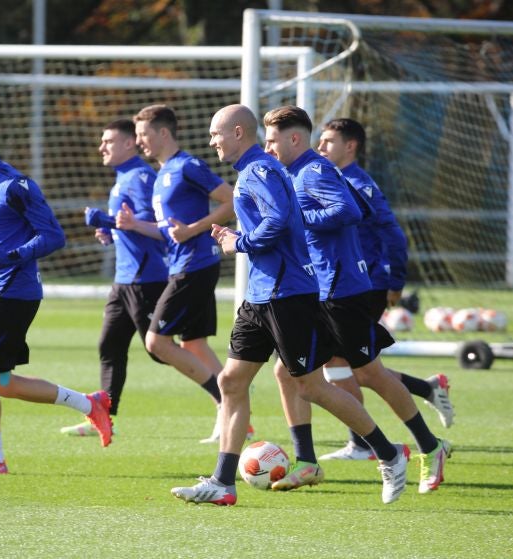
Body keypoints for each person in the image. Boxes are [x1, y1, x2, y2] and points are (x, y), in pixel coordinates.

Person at [170, 104, 408, 506]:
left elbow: (280, 218)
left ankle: (388, 454)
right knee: (230, 382)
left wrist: (237, 242)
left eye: (216, 133)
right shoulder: (255, 170)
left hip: (287, 296)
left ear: (239, 133)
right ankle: (223, 483)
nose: (212, 141)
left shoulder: (259, 170)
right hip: (261, 296)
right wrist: (237, 234)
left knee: (311, 386)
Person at [262, 106, 449, 495]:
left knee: (370, 374)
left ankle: (429, 448)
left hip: (341, 289)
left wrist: (300, 219)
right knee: (287, 373)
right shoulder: (300, 172)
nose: (267, 147)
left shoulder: (314, 170)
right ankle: (308, 461)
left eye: (272, 139)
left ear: (294, 138)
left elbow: (350, 210)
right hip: (314, 290)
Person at [0, 117, 113, 475]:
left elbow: (54, 237)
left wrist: (7, 258)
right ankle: (90, 404)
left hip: (13, 292)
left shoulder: (15, 185)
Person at [315, 117, 454, 462]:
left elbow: (393, 235)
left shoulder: (358, 186)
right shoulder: (333, 180)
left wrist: (394, 283)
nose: (320, 148)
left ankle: (371, 443)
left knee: (357, 367)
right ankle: (419, 396)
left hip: (366, 286)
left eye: (328, 141)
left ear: (351, 146)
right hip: (342, 287)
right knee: (346, 364)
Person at [115, 104, 245, 444]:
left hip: (195, 265)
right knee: (194, 343)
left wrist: (194, 230)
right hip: (183, 263)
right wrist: (135, 226)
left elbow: (231, 201)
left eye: (143, 135)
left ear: (163, 133)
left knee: (156, 341)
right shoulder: (160, 175)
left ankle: (222, 401)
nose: (139, 141)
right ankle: (234, 412)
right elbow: (169, 232)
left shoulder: (187, 166)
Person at [60, 119, 168, 437]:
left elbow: (158, 226)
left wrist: (109, 220)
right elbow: (129, 226)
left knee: (162, 351)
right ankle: (104, 417)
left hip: (145, 279)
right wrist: (108, 231)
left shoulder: (141, 177)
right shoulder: (122, 178)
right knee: (110, 346)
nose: (101, 147)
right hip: (124, 280)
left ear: (129, 144)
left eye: (108, 141)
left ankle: (228, 401)